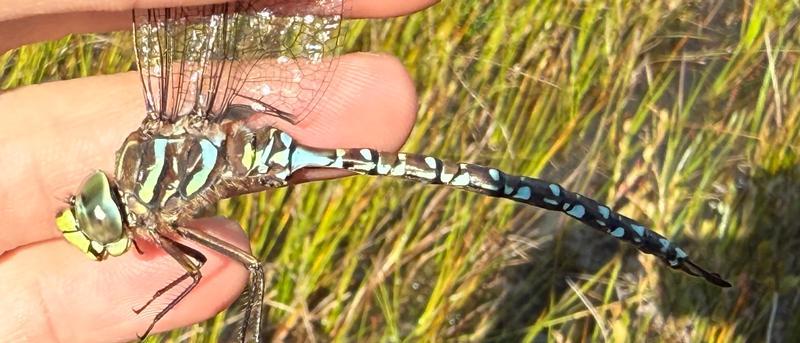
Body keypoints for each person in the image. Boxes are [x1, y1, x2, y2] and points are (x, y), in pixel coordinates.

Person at [0, 0, 437, 341]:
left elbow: (193, 269)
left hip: (253, 153)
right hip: (236, 151)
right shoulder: (149, 193)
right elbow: (191, 266)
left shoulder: (150, 208)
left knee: (248, 268)